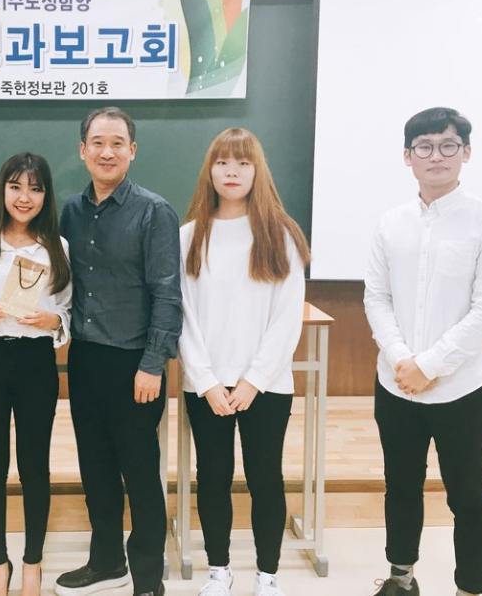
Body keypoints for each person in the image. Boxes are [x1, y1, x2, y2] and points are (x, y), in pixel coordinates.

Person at [364, 107, 482, 596]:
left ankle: (470, 587)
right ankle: (400, 578)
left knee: (467, 494)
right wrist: (400, 358)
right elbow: (377, 298)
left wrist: (429, 365)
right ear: (407, 156)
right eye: (424, 147)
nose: (437, 156)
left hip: (462, 388)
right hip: (396, 383)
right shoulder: (390, 224)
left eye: (448, 145)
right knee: (400, 486)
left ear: (465, 153)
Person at [55, 106, 182, 596]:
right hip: (86, 359)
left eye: (117, 143)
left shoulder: (154, 211)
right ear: (82, 150)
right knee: (96, 468)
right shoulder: (70, 211)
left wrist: (153, 364)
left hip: (135, 364)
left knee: (140, 474)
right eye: (98, 143)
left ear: (132, 150)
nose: (107, 152)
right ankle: (106, 560)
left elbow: (167, 294)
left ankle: (148, 580)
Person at [179, 128, 309, 596]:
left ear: (258, 172)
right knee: (212, 478)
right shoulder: (188, 237)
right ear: (209, 171)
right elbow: (182, 315)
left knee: (265, 478)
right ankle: (219, 571)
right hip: (207, 385)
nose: (231, 172)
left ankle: (267, 575)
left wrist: (254, 380)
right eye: (222, 162)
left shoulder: (281, 235)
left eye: (242, 163)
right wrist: (207, 380)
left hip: (266, 386)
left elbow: (287, 317)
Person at [0, 153, 72, 596]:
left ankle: (32, 562)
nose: (25, 198)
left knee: (34, 465)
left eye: (35, 189)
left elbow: (66, 308)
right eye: (16, 187)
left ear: (46, 195)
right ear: (2, 190)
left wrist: (52, 321)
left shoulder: (57, 247)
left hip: (35, 363)